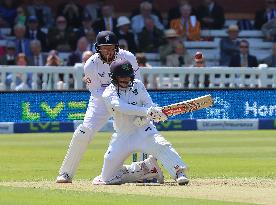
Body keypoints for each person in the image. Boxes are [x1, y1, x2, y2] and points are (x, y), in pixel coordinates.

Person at [56, 30, 159, 183]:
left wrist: (130, 105)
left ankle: (148, 170)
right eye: (104, 48)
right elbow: (96, 91)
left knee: (142, 127)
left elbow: (136, 84)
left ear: (116, 47)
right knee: (83, 132)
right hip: (101, 102)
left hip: (127, 98)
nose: (108, 51)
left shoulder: (128, 57)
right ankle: (66, 173)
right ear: (98, 48)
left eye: (110, 47)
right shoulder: (91, 64)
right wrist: (113, 100)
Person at [92, 59, 189, 185]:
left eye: (128, 77)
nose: (126, 80)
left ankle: (179, 173)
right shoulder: (108, 93)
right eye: (122, 77)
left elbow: (149, 104)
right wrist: (147, 112)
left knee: (161, 145)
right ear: (114, 77)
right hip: (123, 135)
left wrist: (156, 113)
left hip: (144, 130)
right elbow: (121, 107)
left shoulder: (138, 85)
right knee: (107, 178)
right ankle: (147, 168)